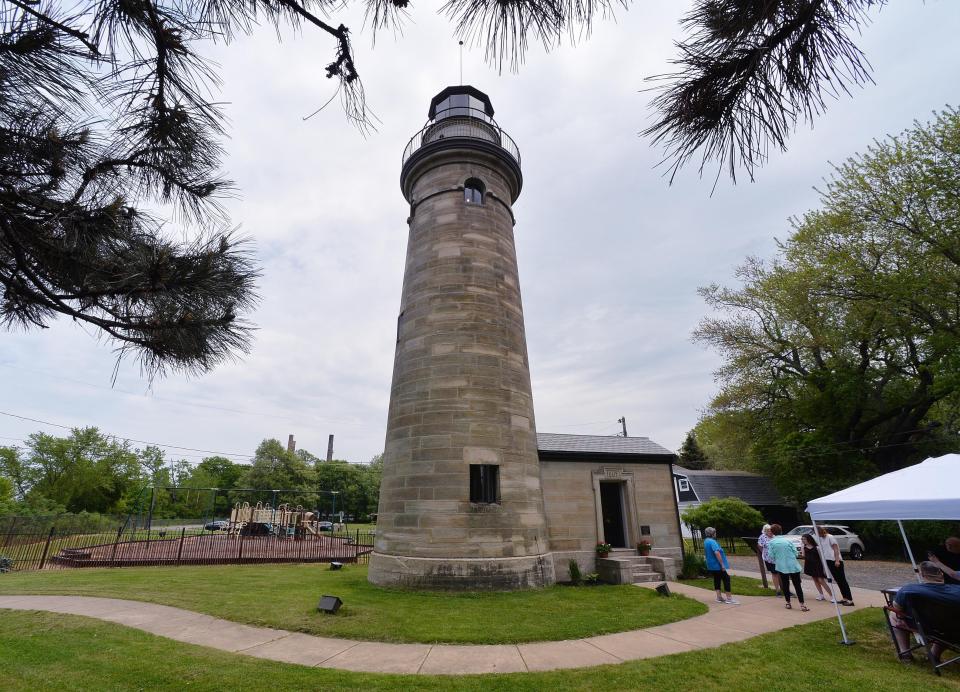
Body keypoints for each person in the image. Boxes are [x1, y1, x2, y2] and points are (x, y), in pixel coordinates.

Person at [888, 561, 959, 663]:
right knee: (947, 622)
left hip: (924, 626)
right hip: (954, 630)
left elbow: (896, 607)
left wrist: (902, 618)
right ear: (941, 574)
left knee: (894, 614)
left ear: (922, 575)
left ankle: (905, 654)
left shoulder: (908, 590)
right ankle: (934, 655)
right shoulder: (957, 590)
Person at [768, 523, 808, 611]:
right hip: (793, 565)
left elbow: (771, 555)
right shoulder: (788, 541)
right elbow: (796, 553)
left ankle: (788, 603)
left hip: (781, 566)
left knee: (785, 585)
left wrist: (778, 557)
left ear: (773, 532)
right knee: (797, 585)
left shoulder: (771, 542)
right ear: (781, 531)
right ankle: (802, 605)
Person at [817, 526, 854, 606]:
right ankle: (844, 598)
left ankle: (850, 599)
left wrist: (837, 560)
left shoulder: (830, 537)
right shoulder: (820, 539)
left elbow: (835, 549)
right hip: (828, 560)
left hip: (835, 560)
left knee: (842, 580)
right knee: (838, 580)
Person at [703, 526, 739, 605]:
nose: (715, 534)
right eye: (715, 532)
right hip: (717, 565)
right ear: (712, 533)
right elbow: (716, 552)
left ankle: (719, 597)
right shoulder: (713, 542)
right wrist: (722, 564)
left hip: (711, 565)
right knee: (726, 578)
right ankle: (729, 598)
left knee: (717, 579)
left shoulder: (706, 541)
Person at [801, 533, 831, 601]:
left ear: (809, 539)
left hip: (817, 565)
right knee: (815, 580)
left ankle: (831, 595)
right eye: (802, 539)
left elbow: (821, 557)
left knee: (821, 580)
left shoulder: (816, 547)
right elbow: (803, 555)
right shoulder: (804, 547)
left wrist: (824, 568)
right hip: (809, 565)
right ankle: (821, 595)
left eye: (804, 539)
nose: (803, 540)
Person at [757, 524, 781, 596]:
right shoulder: (762, 537)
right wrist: (765, 553)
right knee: (774, 573)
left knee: (782, 573)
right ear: (765, 531)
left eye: (771, 530)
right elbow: (760, 546)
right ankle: (777, 590)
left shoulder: (775, 536)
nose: (770, 532)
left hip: (779, 558)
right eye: (768, 530)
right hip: (769, 559)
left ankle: (785, 589)